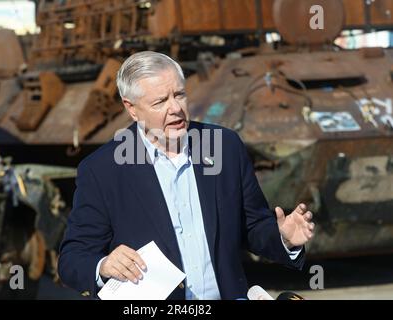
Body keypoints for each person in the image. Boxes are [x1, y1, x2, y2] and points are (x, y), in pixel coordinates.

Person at [58, 51, 315, 300]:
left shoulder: (225, 147)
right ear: (132, 109)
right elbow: (73, 259)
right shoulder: (102, 169)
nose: (175, 109)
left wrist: (283, 238)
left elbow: (252, 227)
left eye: (179, 95)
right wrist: (103, 265)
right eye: (160, 102)